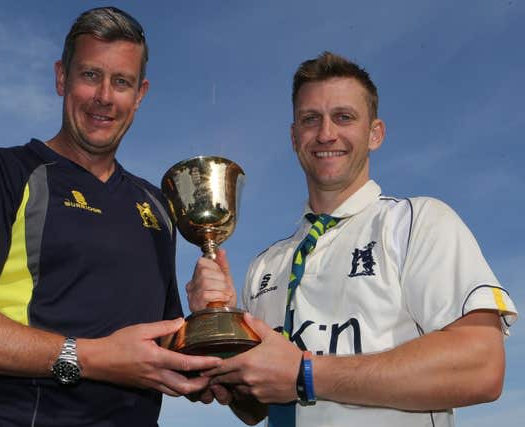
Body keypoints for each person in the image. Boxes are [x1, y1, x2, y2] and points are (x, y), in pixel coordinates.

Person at [0, 6, 221, 427]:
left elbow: (158, 358)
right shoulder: (3, 173)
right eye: (90, 75)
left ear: (139, 94)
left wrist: (203, 320)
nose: (105, 95)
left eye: (121, 81)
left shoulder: (158, 206)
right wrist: (87, 358)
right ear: (61, 78)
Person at [187, 51, 518, 426]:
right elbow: (254, 409)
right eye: (311, 120)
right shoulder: (266, 265)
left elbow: (482, 366)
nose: (326, 133)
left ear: (375, 133)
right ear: (295, 137)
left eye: (343, 117)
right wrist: (221, 339)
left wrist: (306, 374)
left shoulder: (417, 222)